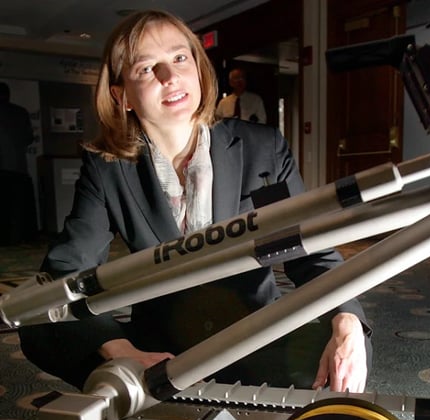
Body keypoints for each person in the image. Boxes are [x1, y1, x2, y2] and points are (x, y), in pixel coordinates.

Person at [19, 9, 371, 394]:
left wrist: (346, 321)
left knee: (348, 337)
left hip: (255, 334)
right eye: (146, 68)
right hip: (160, 350)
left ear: (199, 70)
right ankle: (142, 379)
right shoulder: (108, 168)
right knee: (38, 323)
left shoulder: (262, 149)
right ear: (123, 97)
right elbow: (66, 271)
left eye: (179, 58)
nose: (170, 77)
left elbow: (312, 253)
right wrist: (122, 351)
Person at [0, 82, 37, 244]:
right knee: (17, 208)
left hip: (2, 168)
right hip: (18, 167)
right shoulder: (20, 112)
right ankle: (17, 238)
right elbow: (28, 138)